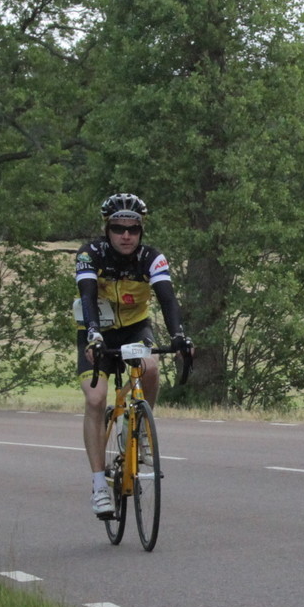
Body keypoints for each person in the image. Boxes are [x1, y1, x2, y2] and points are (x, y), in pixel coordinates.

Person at [76, 193, 192, 518]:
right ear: (107, 229)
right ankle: (99, 486)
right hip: (95, 330)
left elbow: (167, 299)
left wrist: (179, 335)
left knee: (150, 368)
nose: (126, 235)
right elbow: (87, 296)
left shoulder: (151, 258)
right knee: (96, 399)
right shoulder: (90, 254)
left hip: (134, 329)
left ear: (141, 230)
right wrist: (93, 334)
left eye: (133, 228)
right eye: (118, 228)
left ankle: (137, 428)